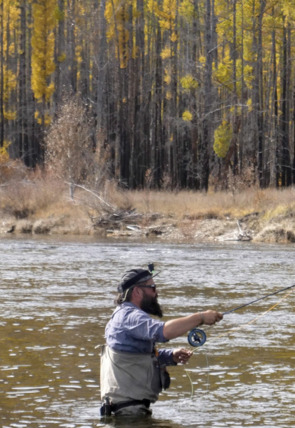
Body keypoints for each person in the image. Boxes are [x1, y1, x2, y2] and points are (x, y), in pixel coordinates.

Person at [100, 266, 223, 417]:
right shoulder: (129, 316)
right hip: (129, 415)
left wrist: (170, 356)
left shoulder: (123, 315)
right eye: (152, 287)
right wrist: (201, 317)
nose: (156, 292)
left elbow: (134, 356)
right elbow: (163, 332)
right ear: (137, 291)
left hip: (129, 411)